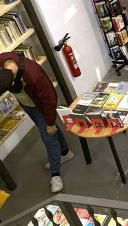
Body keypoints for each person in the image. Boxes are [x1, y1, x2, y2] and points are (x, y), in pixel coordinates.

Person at [0, 52, 74, 192]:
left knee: (48, 135)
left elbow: (50, 99)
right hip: (27, 103)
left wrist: (50, 123)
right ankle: (65, 153)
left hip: (38, 105)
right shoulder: (2, 61)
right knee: (49, 130)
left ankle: (55, 174)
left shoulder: (34, 76)